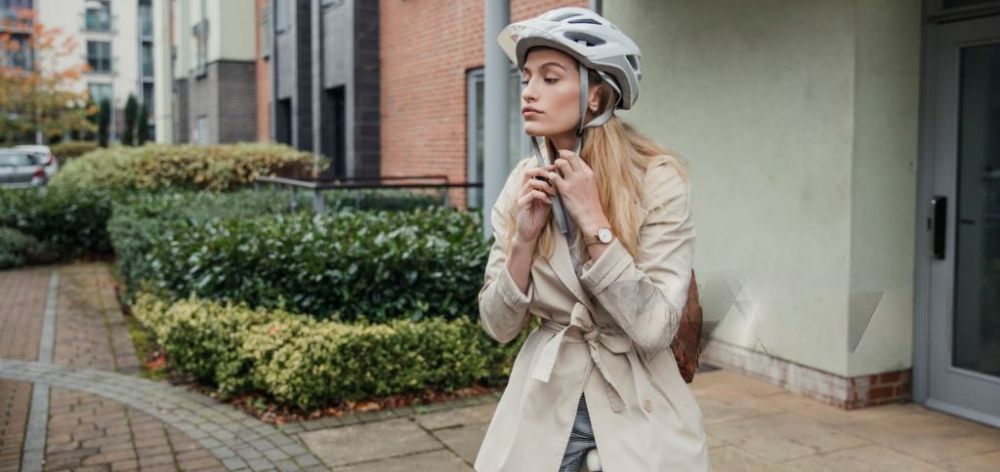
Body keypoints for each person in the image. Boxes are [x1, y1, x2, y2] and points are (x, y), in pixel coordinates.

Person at [474, 7, 711, 472]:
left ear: (596, 97)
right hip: (544, 400)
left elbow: (654, 328)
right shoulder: (522, 182)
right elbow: (497, 325)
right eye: (526, 79)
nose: (529, 92)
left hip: (639, 400)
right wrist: (523, 240)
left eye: (550, 78)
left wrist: (594, 221)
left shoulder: (657, 179)